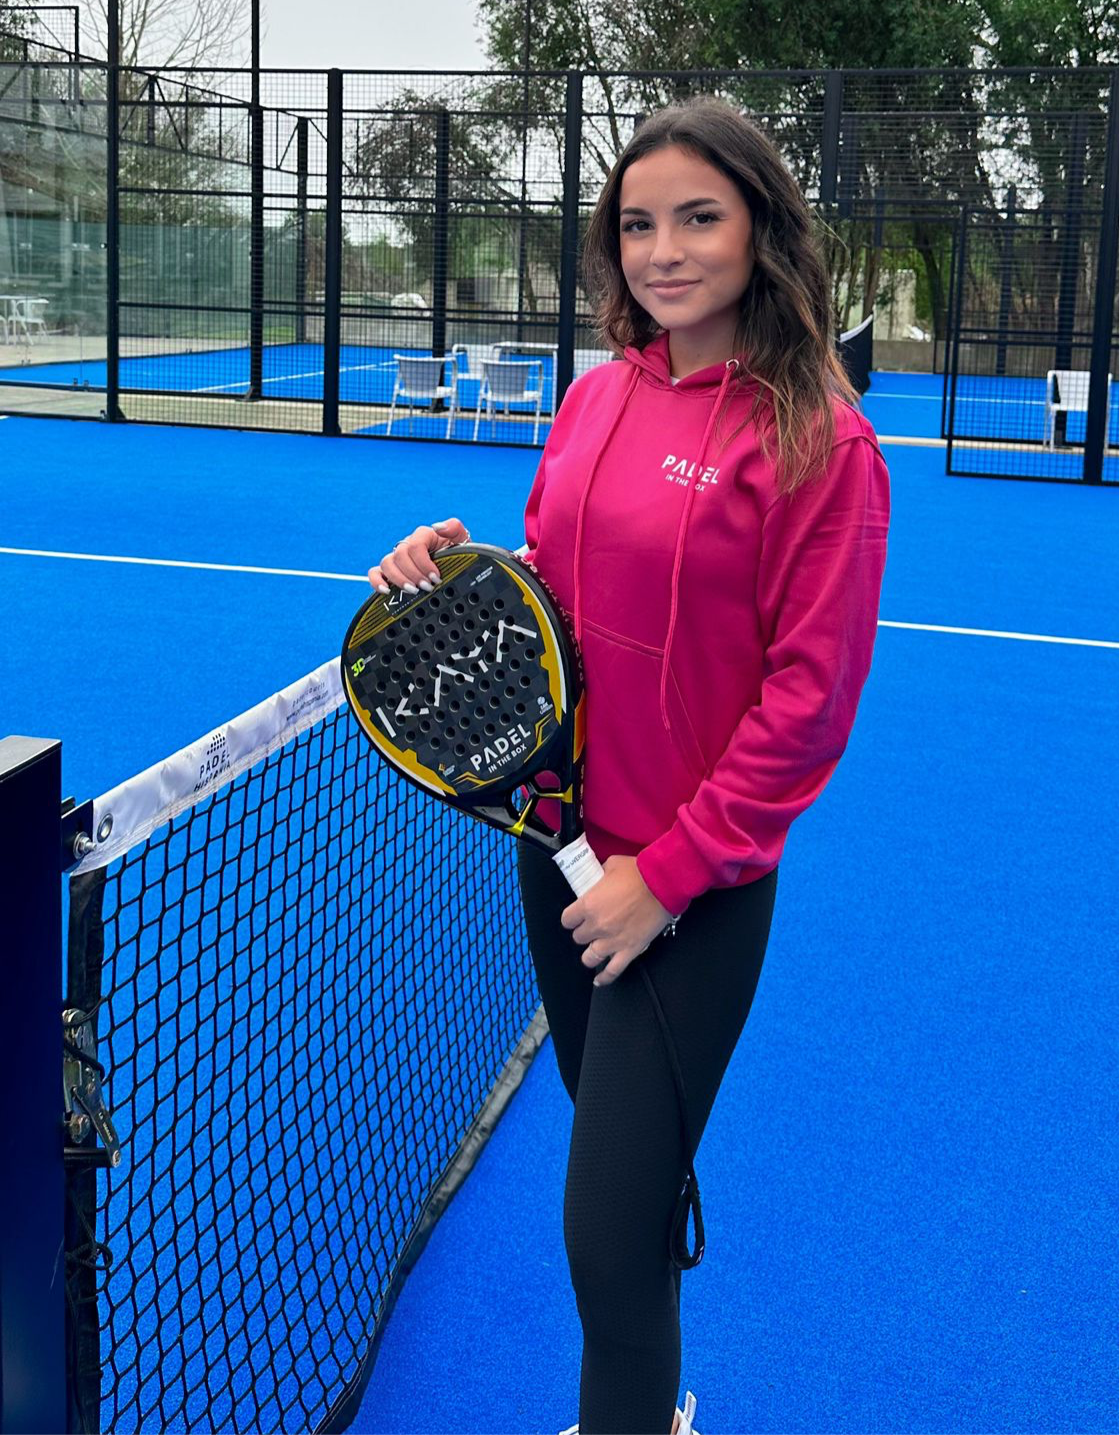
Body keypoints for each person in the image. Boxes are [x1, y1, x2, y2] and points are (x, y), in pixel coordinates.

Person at [368, 95, 890, 1435]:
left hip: (686, 894)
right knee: (629, 1191)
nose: (663, 251)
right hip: (561, 859)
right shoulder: (597, 396)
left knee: (605, 1232)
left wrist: (663, 877)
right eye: (638, 224)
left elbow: (809, 704)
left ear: (762, 229)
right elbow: (558, 591)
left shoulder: (824, 441)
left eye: (698, 218)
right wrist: (458, 574)